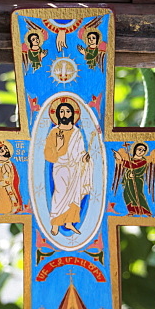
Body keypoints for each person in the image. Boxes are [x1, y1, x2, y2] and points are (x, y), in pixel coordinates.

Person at [44, 99, 92, 235]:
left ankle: (69, 222)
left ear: (72, 114)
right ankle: (55, 223)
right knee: (60, 194)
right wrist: (58, 147)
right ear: (58, 114)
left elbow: (80, 151)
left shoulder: (77, 132)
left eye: (68, 111)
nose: (65, 114)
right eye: (62, 112)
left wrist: (84, 158)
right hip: (61, 168)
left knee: (75, 196)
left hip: (75, 168)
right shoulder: (54, 132)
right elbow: (48, 155)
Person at [113, 142, 155, 217]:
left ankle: (145, 211)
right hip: (129, 181)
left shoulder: (143, 161)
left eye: (143, 150)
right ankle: (132, 211)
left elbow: (134, 166)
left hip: (137, 180)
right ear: (135, 150)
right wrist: (128, 175)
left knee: (138, 195)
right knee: (127, 195)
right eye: (140, 149)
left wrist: (121, 160)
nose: (141, 151)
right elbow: (128, 168)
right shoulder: (130, 159)